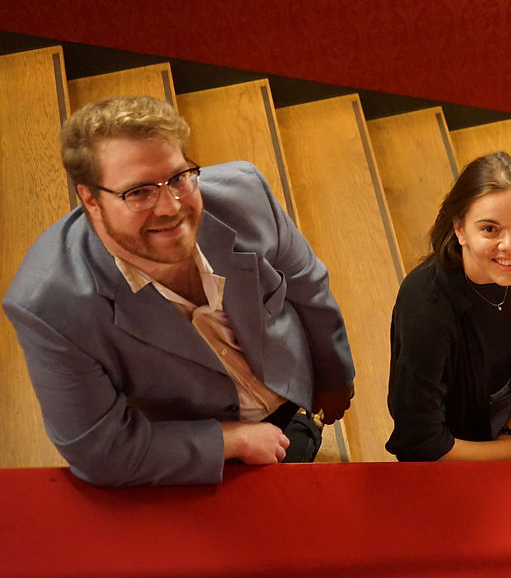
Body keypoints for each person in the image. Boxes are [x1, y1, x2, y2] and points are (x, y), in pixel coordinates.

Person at [2, 95, 355, 486]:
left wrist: (333, 375)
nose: (171, 208)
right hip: (196, 454)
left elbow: (308, 284)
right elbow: (99, 450)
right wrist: (229, 441)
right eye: (138, 192)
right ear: (90, 199)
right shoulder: (50, 306)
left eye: (178, 178)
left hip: (292, 394)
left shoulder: (246, 194)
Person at [386, 151, 511, 461]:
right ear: (459, 230)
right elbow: (421, 439)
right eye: (490, 229)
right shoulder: (425, 306)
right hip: (451, 428)